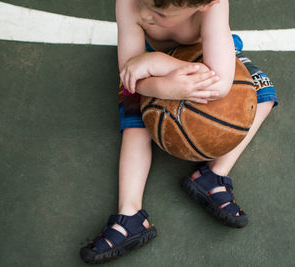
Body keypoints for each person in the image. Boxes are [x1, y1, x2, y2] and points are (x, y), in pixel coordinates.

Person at [80, 0, 278, 263]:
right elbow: (130, 72)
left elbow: (219, 84)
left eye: (159, 14)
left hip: (203, 58)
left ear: (204, 5)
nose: (145, 14)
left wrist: (164, 66)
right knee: (137, 126)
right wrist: (163, 87)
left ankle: (213, 175)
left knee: (260, 96)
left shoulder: (214, 6)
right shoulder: (129, 3)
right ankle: (129, 216)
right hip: (148, 68)